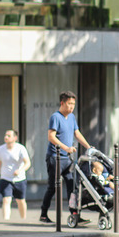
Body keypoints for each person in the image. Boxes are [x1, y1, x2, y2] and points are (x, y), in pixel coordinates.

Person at [40, 91, 93, 224]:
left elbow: (77, 133)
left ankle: (74, 214)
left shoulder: (72, 117)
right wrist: (66, 148)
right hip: (55, 157)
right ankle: (43, 214)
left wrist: (88, 146)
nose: (71, 107)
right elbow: (51, 137)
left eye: (73, 104)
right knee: (52, 187)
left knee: (72, 186)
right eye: (69, 104)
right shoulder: (55, 117)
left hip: (67, 159)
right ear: (62, 103)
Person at [0, 129, 31, 220]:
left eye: (9, 136)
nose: (6, 137)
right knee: (6, 199)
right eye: (5, 135)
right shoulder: (1, 149)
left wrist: (20, 170)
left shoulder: (21, 148)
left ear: (15, 138)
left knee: (20, 201)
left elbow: (27, 163)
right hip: (5, 178)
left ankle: (23, 219)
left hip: (19, 179)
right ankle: (6, 220)